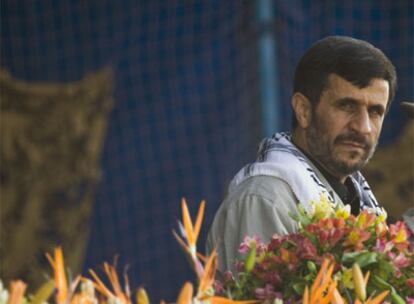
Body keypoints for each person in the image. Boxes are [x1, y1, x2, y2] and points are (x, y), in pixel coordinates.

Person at [206, 36, 397, 272]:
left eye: (375, 111)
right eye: (347, 106)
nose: (363, 127)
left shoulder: (356, 197)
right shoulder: (267, 200)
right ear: (303, 110)